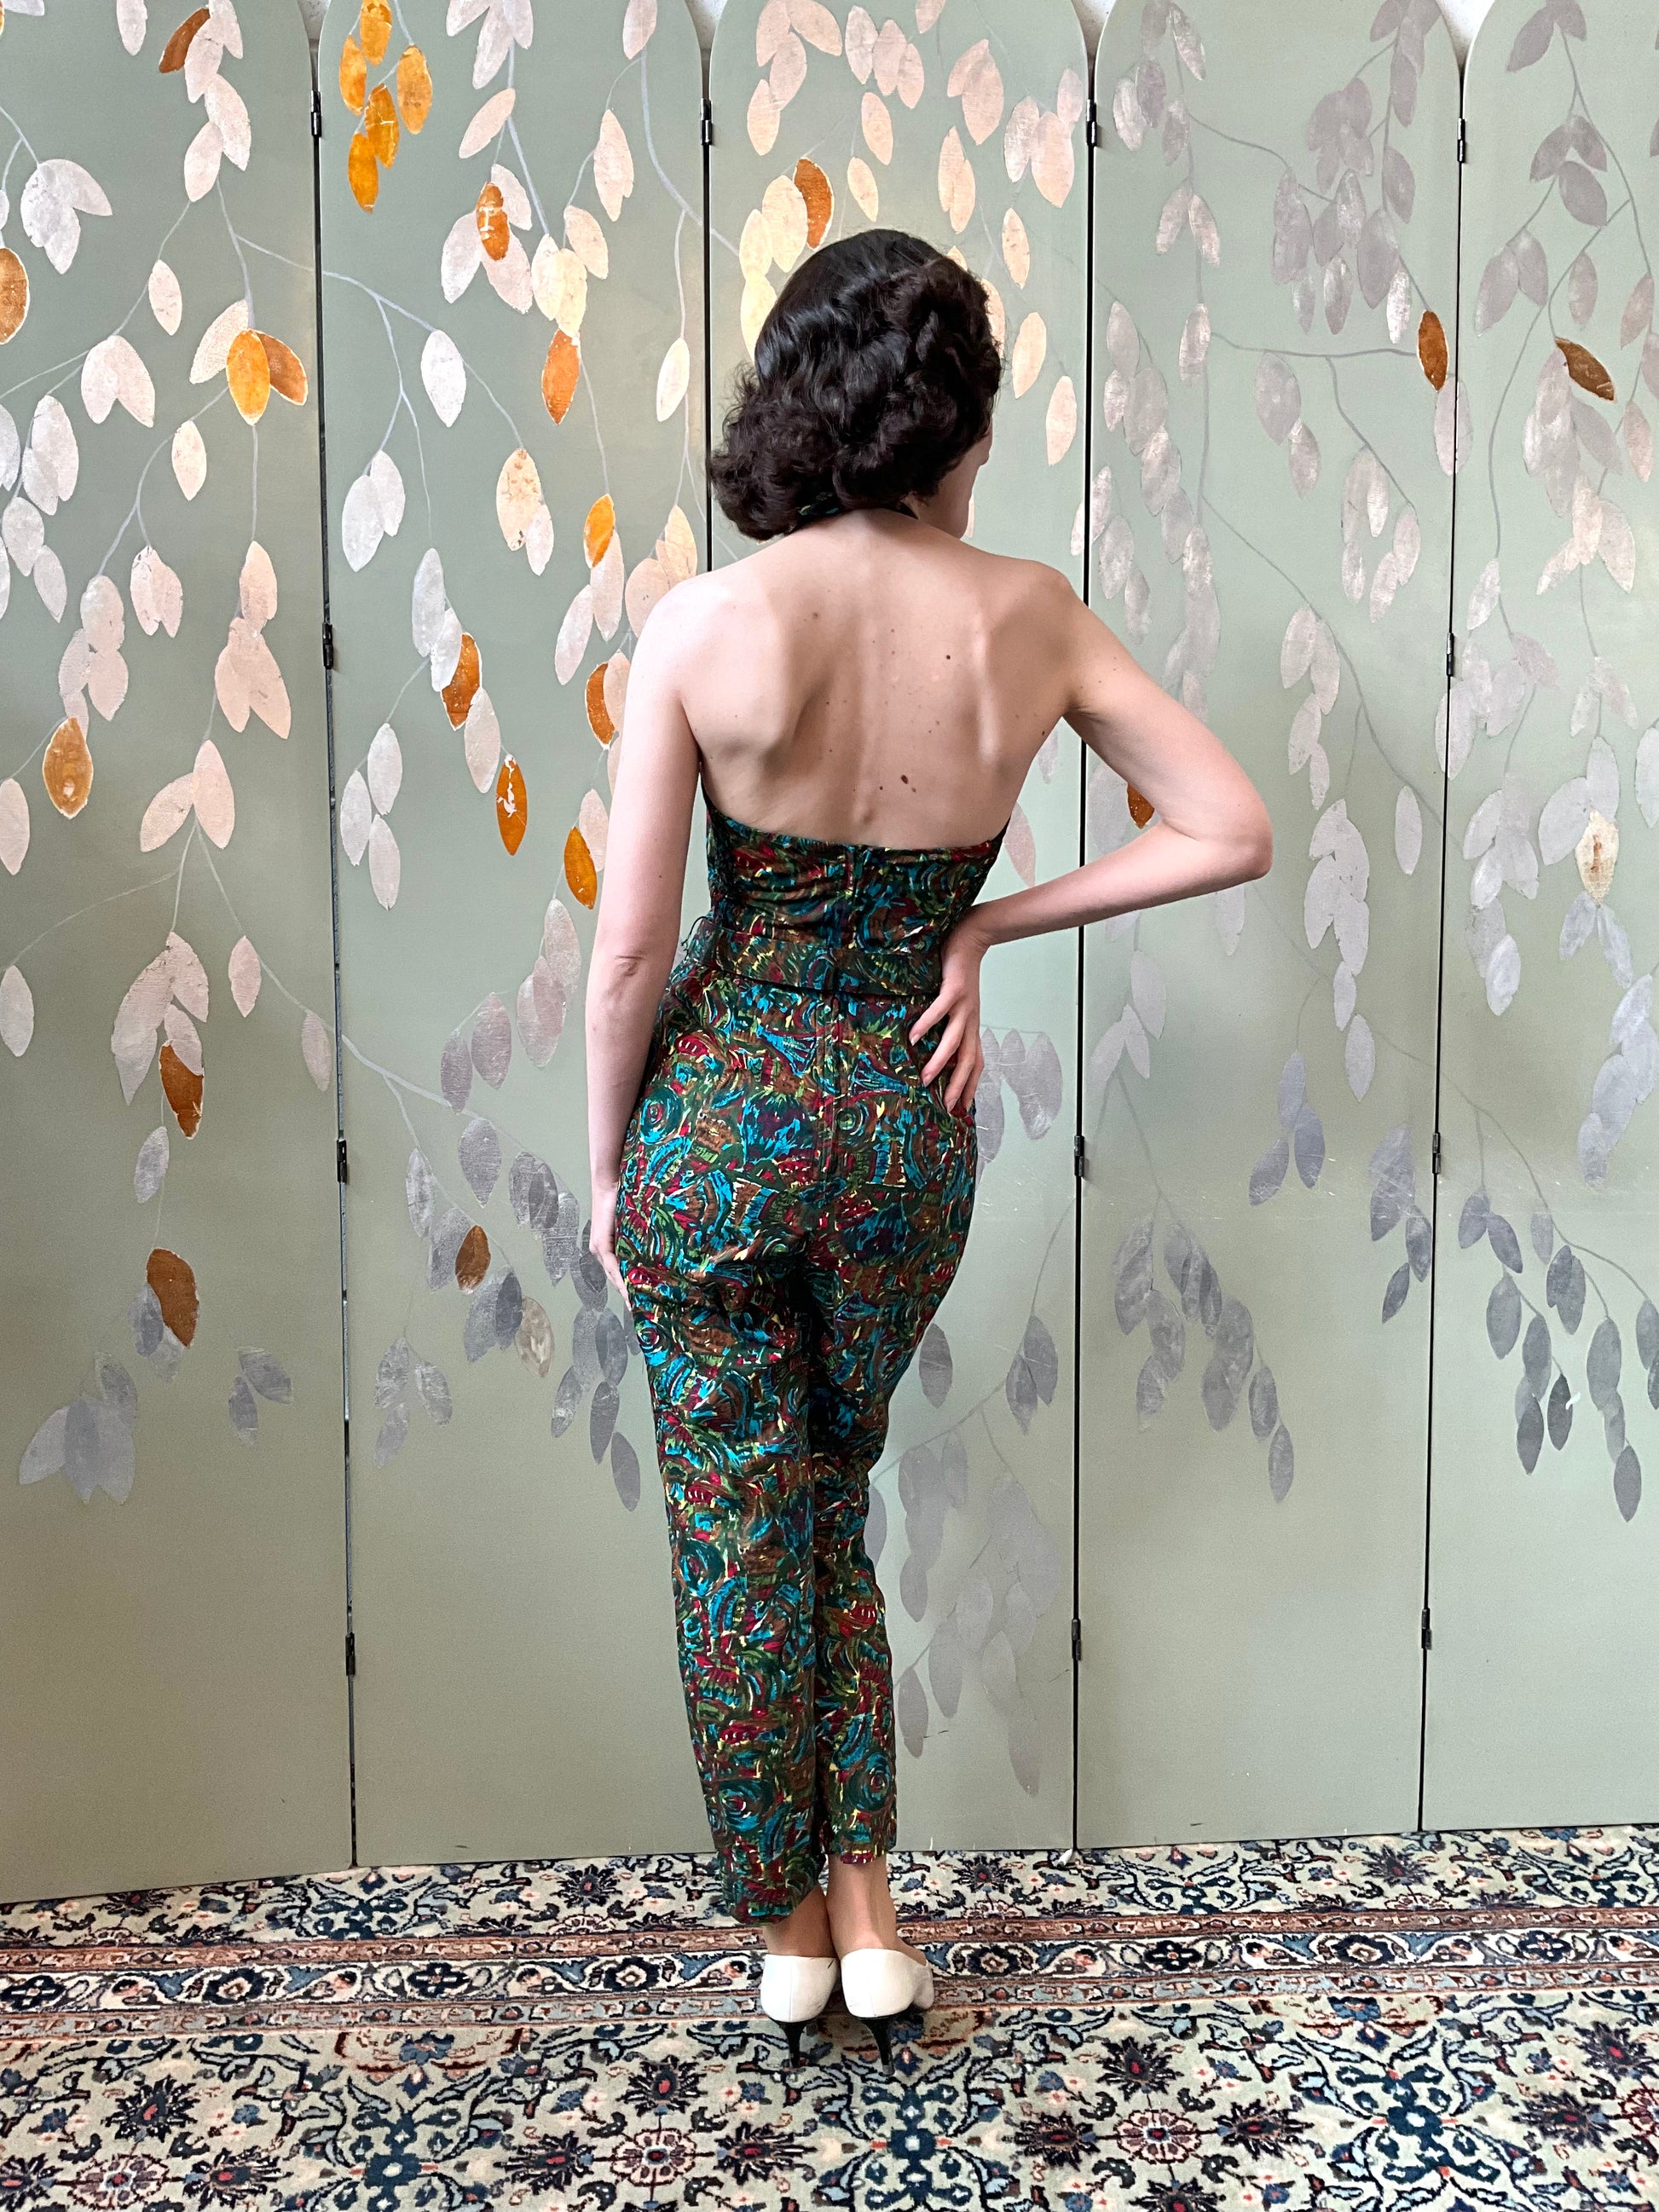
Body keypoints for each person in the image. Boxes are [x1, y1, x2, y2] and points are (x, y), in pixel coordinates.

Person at [584, 228, 1272, 2066]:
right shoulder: (1028, 614)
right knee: (833, 1495)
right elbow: (1226, 822)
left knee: (741, 1523)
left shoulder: (709, 626)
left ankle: (792, 1930)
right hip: (906, 1122)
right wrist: (979, 926)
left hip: (724, 1116)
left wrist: (603, 1160)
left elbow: (635, 954)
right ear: (951, 418)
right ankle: (873, 1915)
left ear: (793, 402)